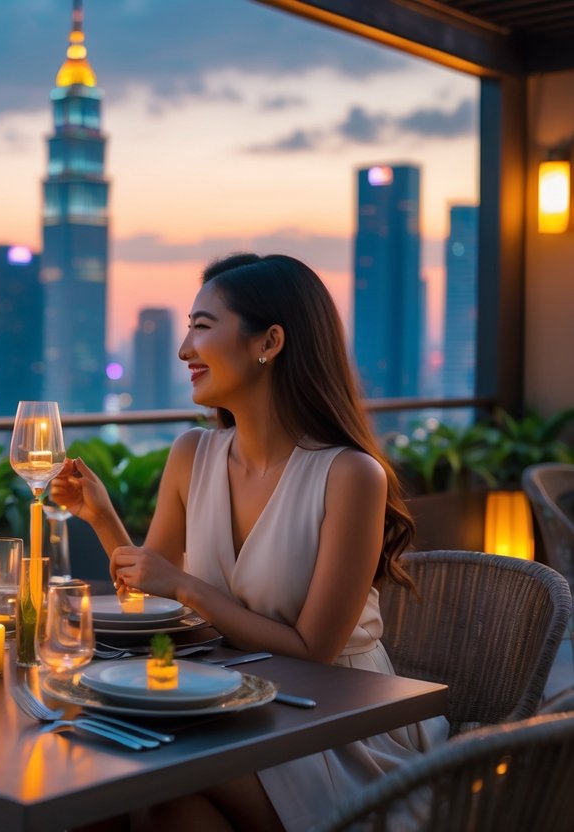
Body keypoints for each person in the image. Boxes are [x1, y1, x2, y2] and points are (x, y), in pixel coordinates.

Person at [51, 253, 446, 832]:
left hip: (337, 719)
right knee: (154, 797)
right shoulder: (193, 454)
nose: (185, 349)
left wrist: (185, 586)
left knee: (150, 775)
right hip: (231, 702)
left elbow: (312, 649)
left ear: (270, 341)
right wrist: (103, 519)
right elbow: (151, 597)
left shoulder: (350, 475)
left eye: (202, 327)